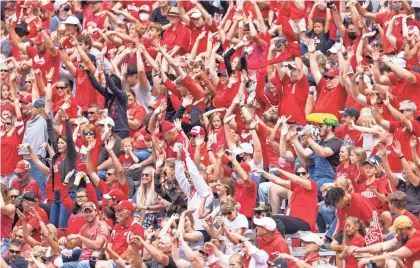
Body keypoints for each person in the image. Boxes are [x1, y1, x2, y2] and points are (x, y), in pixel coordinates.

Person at [351, 215, 420, 268]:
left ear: (404, 230)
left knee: (390, 261)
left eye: (397, 231)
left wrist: (369, 259)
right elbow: (384, 245)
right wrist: (359, 249)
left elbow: (394, 254)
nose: (396, 234)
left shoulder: (416, 239)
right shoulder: (404, 235)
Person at [61, 202, 108, 268]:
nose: (88, 214)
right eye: (86, 212)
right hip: (82, 260)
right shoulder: (84, 228)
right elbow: (71, 245)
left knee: (81, 264)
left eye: (90, 211)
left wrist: (80, 237)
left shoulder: (102, 226)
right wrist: (64, 241)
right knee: (64, 266)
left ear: (96, 211)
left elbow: (98, 246)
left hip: (95, 261)